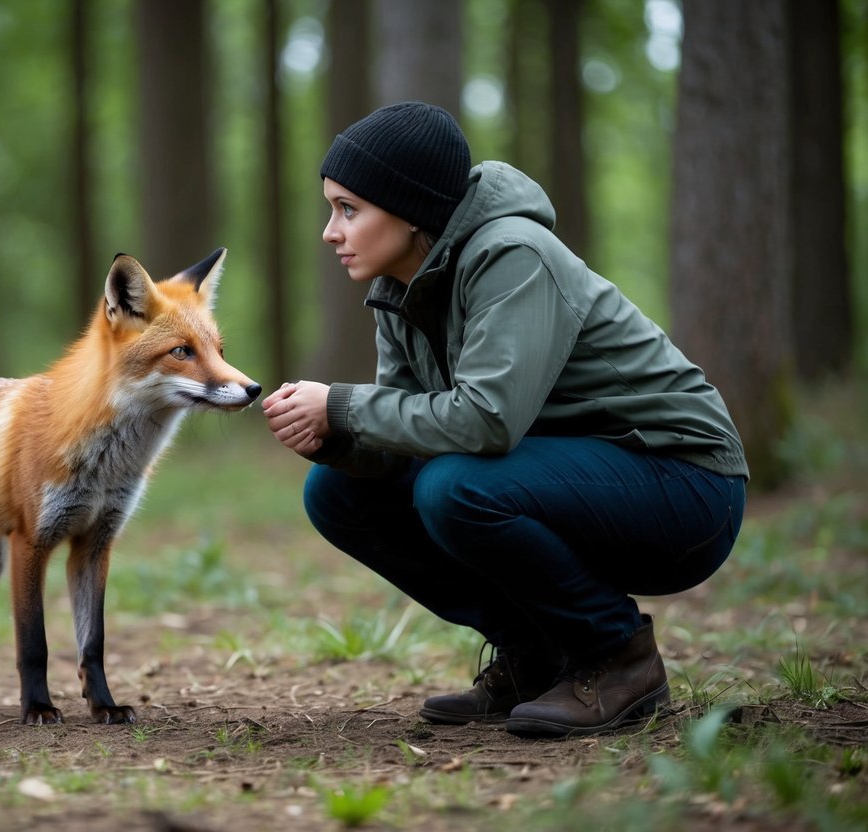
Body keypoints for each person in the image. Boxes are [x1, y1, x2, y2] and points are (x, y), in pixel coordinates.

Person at [262, 101, 748, 738]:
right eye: (332, 209)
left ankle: (618, 658)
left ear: (409, 210)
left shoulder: (513, 253)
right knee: (338, 493)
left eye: (349, 209)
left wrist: (344, 406)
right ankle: (538, 657)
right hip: (572, 475)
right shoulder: (398, 286)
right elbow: (406, 432)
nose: (331, 230)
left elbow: (487, 421)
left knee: (456, 487)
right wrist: (335, 440)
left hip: (685, 484)